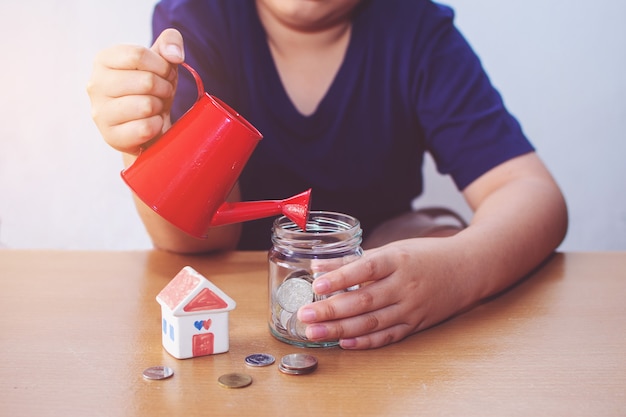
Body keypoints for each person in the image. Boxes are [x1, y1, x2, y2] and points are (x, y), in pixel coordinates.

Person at [87, 0, 568, 350]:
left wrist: (459, 271)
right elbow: (203, 239)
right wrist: (146, 146)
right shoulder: (200, 20)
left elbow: (531, 193)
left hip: (392, 317)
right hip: (252, 310)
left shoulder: (418, 30)